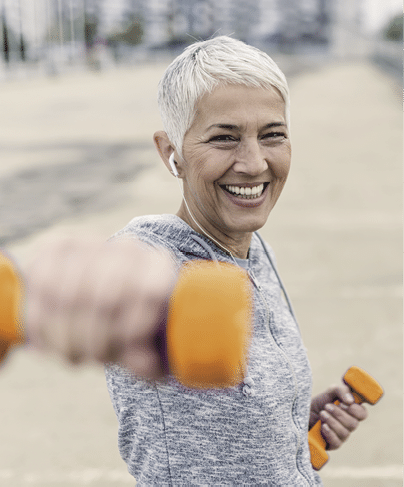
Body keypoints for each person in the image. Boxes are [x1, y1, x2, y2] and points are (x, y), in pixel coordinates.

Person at [19, 36, 368, 484]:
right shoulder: (156, 263)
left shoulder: (255, 249)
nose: (254, 162)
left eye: (272, 135)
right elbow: (125, 283)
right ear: (172, 153)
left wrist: (293, 425)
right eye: (224, 138)